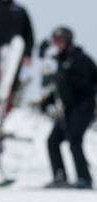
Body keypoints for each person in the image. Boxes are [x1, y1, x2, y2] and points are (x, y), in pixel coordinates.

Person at [40, 27, 96, 189]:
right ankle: (60, 175)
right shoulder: (61, 61)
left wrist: (64, 78)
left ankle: (84, 178)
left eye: (58, 41)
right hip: (68, 109)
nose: (56, 45)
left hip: (83, 107)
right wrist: (47, 102)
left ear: (66, 41)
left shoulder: (80, 59)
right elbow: (60, 87)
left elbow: (85, 83)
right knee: (53, 140)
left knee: (74, 140)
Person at [0, 0, 34, 105]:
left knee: (9, 83)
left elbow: (28, 34)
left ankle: (4, 106)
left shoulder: (20, 11)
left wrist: (28, 54)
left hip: (13, 56)